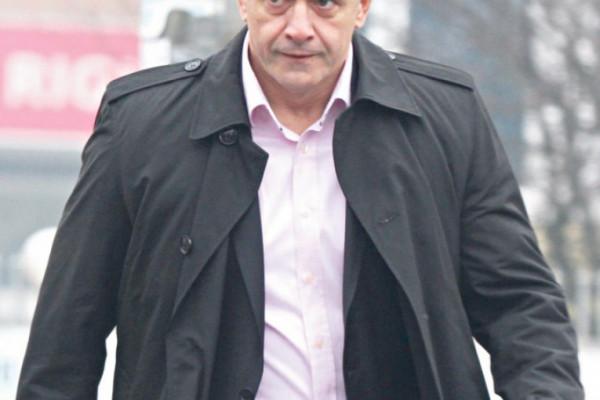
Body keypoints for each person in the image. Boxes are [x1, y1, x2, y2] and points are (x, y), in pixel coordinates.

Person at [17, 0, 584, 399]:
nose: (299, 27)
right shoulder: (140, 125)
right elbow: (67, 334)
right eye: (278, 2)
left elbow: (520, 305)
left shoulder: (446, 118)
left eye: (325, 3)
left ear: (362, 8)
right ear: (244, 4)